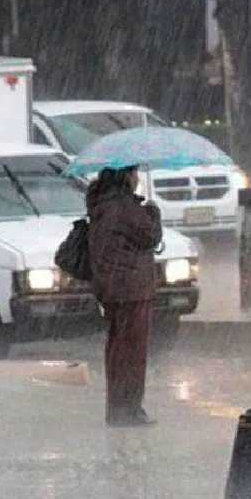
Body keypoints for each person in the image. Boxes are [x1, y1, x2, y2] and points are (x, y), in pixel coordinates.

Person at [86, 164, 163, 427]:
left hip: (111, 287)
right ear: (126, 176)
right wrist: (153, 211)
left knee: (118, 348)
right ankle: (129, 408)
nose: (138, 178)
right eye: (135, 173)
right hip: (131, 289)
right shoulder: (123, 207)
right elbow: (150, 235)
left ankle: (117, 406)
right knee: (133, 350)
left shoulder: (102, 205)